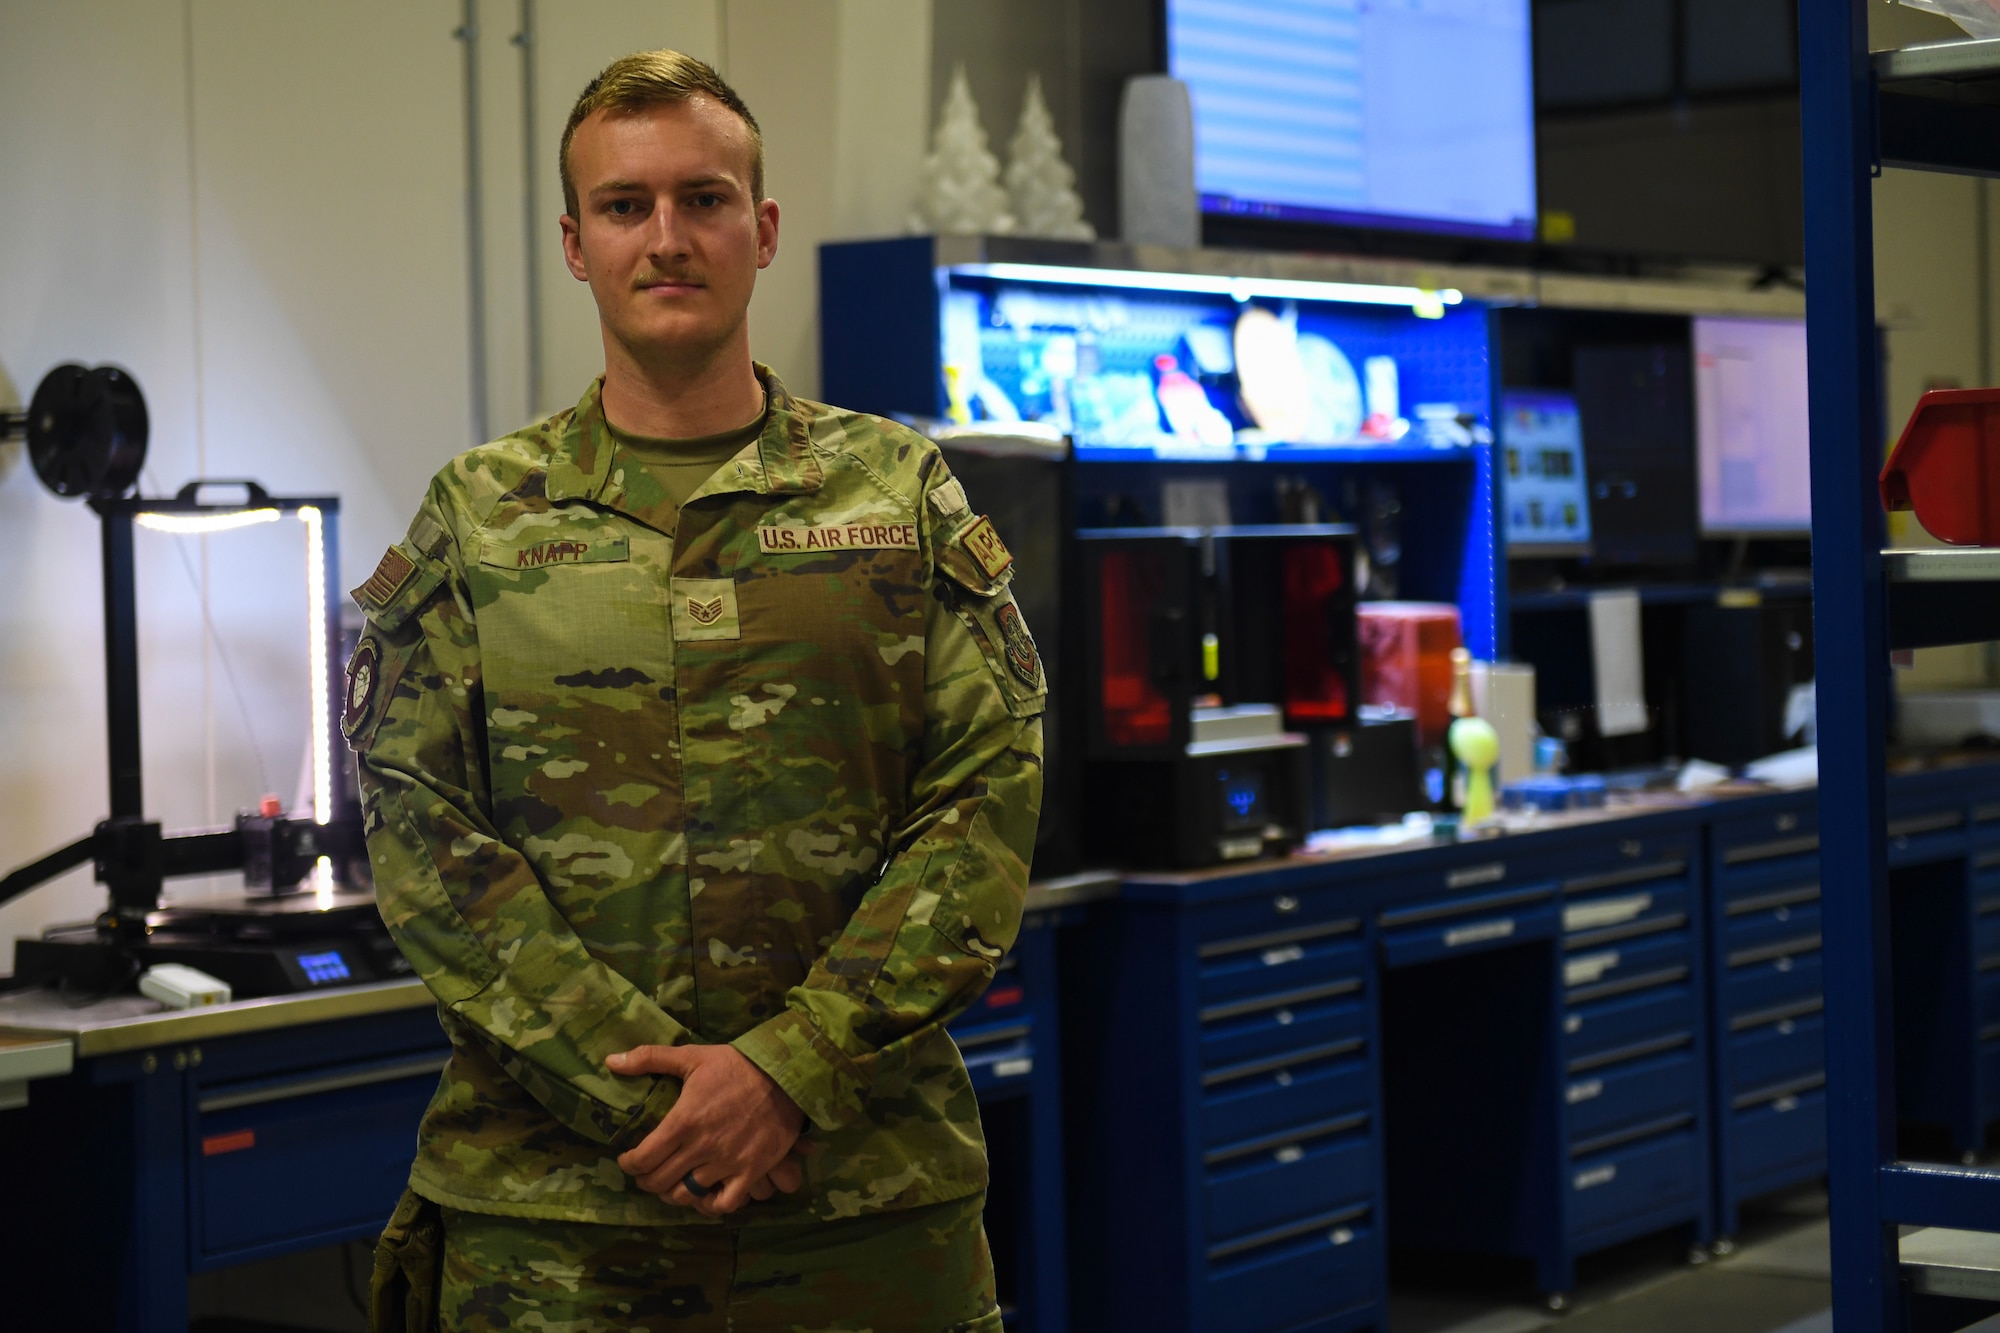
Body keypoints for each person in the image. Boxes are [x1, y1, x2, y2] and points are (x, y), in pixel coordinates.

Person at [344, 48, 1045, 1333]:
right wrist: (662, 1103)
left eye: (704, 199)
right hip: (557, 1224)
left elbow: (984, 798)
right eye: (625, 206)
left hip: (859, 1213)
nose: (666, 238)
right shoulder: (481, 515)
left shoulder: (892, 494)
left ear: (762, 228)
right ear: (574, 241)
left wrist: (792, 1066)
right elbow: (420, 832)